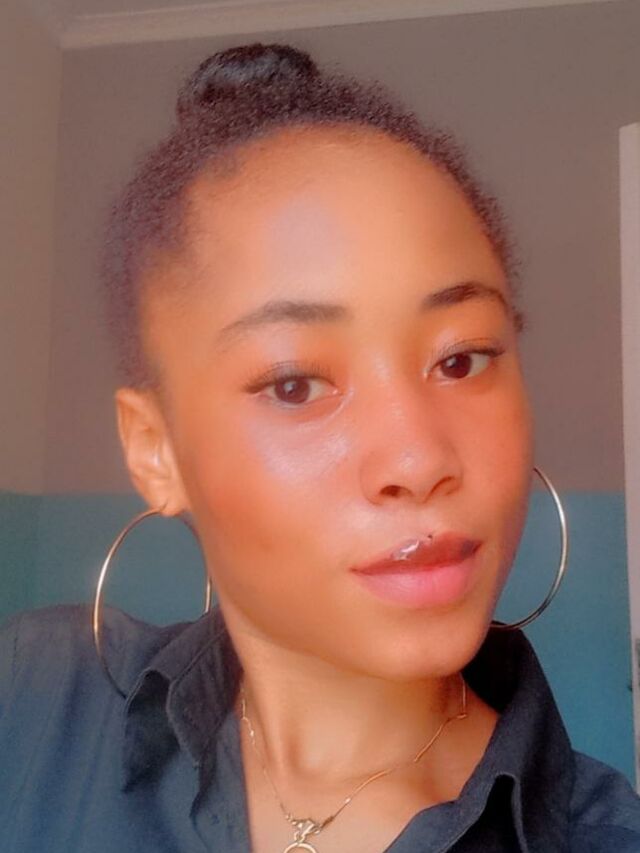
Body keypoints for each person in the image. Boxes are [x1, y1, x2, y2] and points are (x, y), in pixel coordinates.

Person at [1, 42, 639, 853]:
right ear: (155, 449)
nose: (418, 460)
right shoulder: (33, 701)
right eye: (296, 384)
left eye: (461, 359)